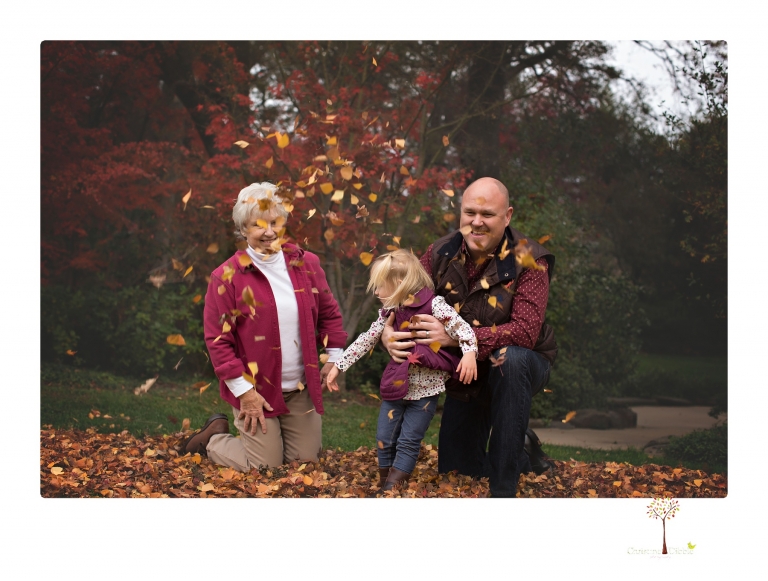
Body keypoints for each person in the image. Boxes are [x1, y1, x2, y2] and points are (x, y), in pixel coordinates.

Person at [381, 177, 557, 497]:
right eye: (469, 212)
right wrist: (388, 334)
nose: (476, 222)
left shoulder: (531, 259)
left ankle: (503, 490)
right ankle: (523, 451)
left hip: (520, 365)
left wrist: (455, 339)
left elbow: (525, 332)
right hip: (467, 374)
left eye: (487, 214)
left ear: (508, 216)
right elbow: (401, 297)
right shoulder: (439, 252)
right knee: (458, 469)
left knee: (511, 359)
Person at [180, 182, 347, 469]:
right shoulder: (227, 277)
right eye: (258, 225)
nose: (269, 232)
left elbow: (329, 315)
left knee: (303, 465)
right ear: (243, 229)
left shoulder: (307, 265)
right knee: (265, 469)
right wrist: (244, 393)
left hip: (299, 388)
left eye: (274, 222)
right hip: (256, 389)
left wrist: (334, 357)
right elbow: (218, 342)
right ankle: (212, 441)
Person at [326, 249, 478, 490]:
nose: (376, 292)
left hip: (426, 393)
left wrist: (469, 353)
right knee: (384, 439)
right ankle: (384, 481)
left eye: (379, 286)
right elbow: (368, 338)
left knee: (408, 440)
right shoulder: (391, 312)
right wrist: (339, 365)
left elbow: (464, 329)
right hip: (396, 386)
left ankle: (392, 489)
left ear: (398, 283)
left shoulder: (434, 305)